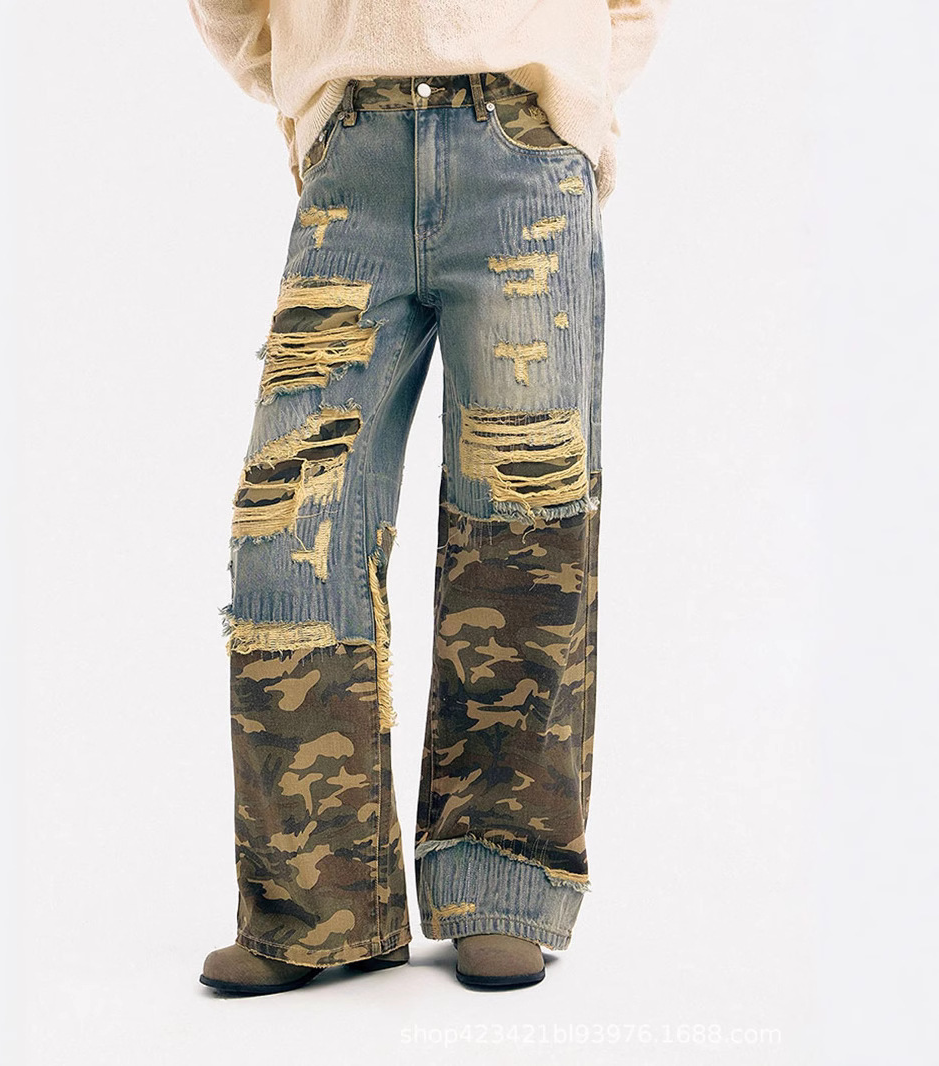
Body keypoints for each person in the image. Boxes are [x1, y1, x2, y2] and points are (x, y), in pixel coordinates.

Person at [186, 0, 670, 994]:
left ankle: (502, 883)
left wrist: (568, 99)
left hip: (522, 158)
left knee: (523, 529)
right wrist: (316, 91)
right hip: (353, 164)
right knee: (289, 530)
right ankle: (319, 903)